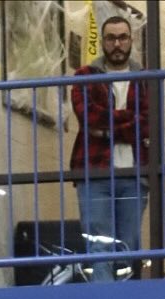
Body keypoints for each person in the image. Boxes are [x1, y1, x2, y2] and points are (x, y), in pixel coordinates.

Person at [70, 13, 149, 283]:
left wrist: (106, 128)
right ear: (102, 42)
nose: (117, 44)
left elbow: (148, 123)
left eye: (123, 37)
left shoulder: (146, 78)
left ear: (131, 40)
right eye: (111, 38)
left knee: (128, 247)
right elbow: (88, 118)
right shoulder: (84, 76)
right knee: (100, 246)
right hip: (96, 173)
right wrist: (129, 120)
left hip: (134, 174)